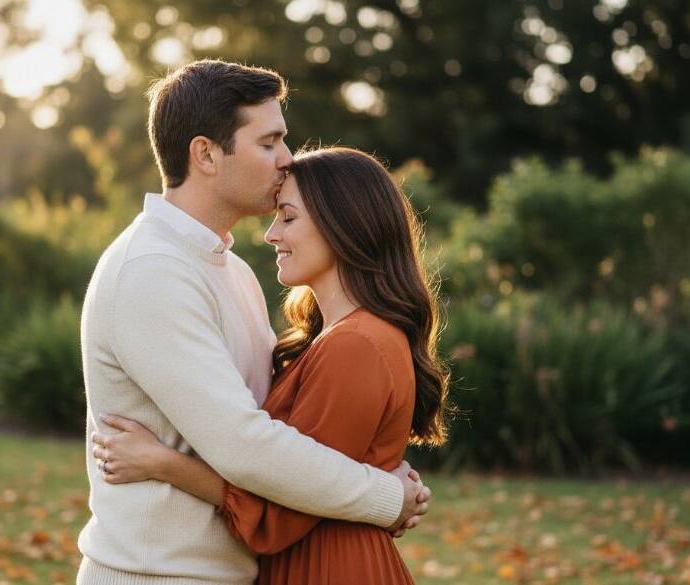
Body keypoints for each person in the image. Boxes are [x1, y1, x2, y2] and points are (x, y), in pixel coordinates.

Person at [76, 60, 431, 585]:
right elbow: (246, 444)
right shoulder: (152, 271)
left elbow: (279, 420)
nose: (286, 160)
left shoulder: (231, 271)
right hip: (159, 575)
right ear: (205, 155)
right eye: (268, 143)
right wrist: (384, 495)